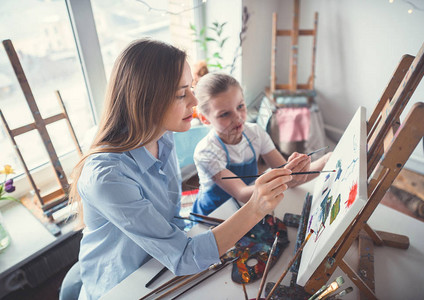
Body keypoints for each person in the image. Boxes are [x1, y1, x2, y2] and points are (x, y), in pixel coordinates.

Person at [66, 38, 294, 300]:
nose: (195, 100)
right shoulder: (106, 177)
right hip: (123, 285)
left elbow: (172, 221)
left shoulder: (162, 136)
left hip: (161, 263)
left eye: (192, 88)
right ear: (146, 100)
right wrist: (255, 208)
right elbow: (185, 256)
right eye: (181, 93)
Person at [192, 72, 331, 216]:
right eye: (224, 114)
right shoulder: (206, 152)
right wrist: (287, 178)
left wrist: (324, 161)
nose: (237, 117)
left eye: (240, 106)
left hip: (248, 205)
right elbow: (241, 193)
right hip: (215, 214)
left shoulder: (256, 133)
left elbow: (290, 178)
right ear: (204, 118)